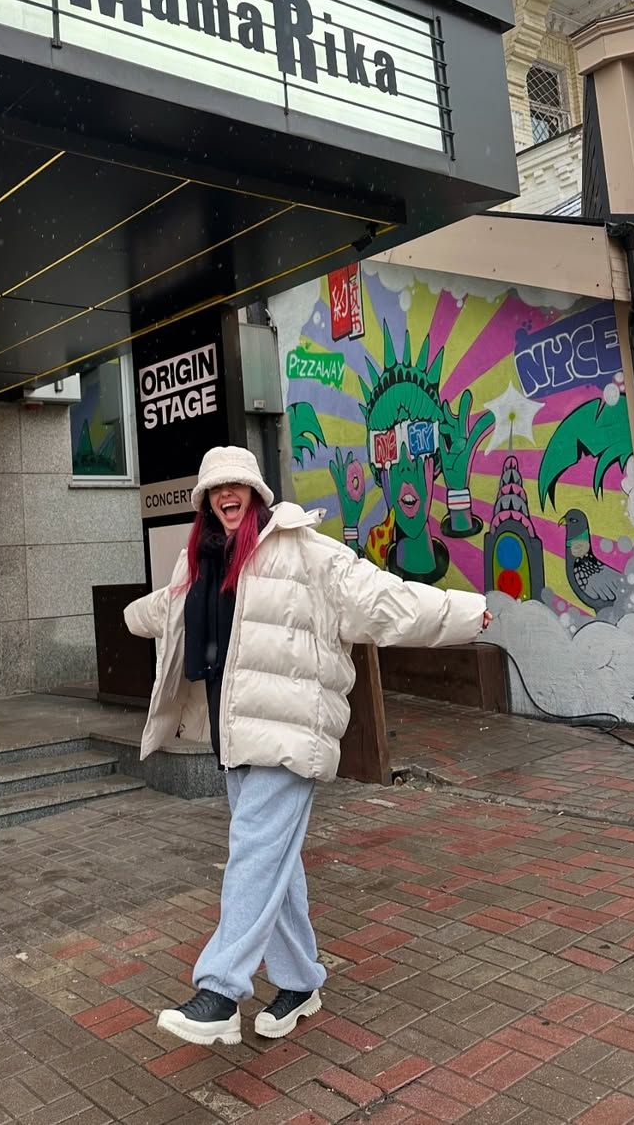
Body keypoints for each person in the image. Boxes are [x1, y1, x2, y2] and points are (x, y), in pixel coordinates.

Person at [124, 445, 492, 1047]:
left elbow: (383, 601)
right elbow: (168, 611)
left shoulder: (305, 552)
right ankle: (300, 982)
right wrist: (130, 616)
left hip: (292, 731)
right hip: (234, 735)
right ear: (206, 502)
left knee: (253, 852)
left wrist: (463, 614)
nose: (226, 495)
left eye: (237, 485)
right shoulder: (203, 562)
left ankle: (221, 991)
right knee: (275, 859)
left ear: (257, 492)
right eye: (215, 489)